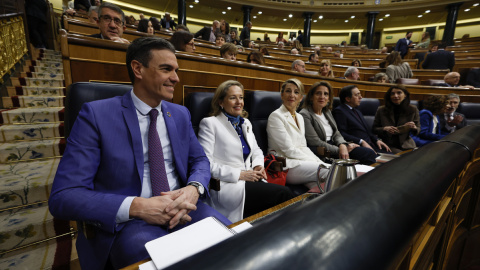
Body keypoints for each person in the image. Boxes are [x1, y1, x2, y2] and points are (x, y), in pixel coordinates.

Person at [48, 37, 231, 270]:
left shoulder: (180, 113)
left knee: (237, 248)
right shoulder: (96, 114)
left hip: (185, 208)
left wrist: (194, 188)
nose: (175, 78)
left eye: (176, 70)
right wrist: (139, 206)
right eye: (166, 69)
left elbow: (199, 160)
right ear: (138, 69)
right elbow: (64, 196)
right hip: (131, 222)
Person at [197, 80, 294, 222]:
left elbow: (256, 150)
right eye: (232, 98)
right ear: (220, 102)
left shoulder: (245, 122)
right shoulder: (210, 123)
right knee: (284, 194)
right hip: (228, 185)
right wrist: (240, 174)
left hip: (251, 178)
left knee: (274, 209)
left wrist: (258, 166)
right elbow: (205, 164)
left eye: (241, 97)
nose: (239, 102)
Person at [267, 78, 330, 189]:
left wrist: (317, 161)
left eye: (296, 92)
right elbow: (289, 150)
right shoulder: (276, 116)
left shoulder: (300, 117)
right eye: (288, 91)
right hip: (286, 165)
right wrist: (318, 163)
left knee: (324, 187)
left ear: (300, 98)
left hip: (301, 163)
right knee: (331, 172)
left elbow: (303, 147)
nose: (292, 95)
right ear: (282, 95)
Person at [300, 81, 377, 165]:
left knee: (370, 154)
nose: (322, 97)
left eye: (326, 94)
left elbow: (336, 133)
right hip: (324, 151)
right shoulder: (305, 114)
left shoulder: (327, 112)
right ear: (311, 97)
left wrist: (342, 145)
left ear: (329, 98)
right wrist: (340, 149)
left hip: (337, 145)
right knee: (368, 155)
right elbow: (314, 141)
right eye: (318, 93)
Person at [333, 85, 391, 153]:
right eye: (357, 95)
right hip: (358, 146)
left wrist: (377, 140)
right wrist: (361, 141)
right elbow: (341, 133)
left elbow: (367, 130)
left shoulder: (357, 110)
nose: (360, 97)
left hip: (372, 144)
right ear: (348, 99)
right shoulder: (340, 111)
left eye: (360, 94)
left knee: (393, 157)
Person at [372, 85, 420, 153]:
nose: (395, 96)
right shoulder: (382, 110)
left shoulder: (413, 109)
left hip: (407, 145)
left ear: (405, 95)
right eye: (392, 94)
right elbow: (374, 129)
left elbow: (418, 130)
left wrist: (414, 127)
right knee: (402, 158)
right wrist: (385, 128)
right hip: (388, 144)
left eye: (399, 93)